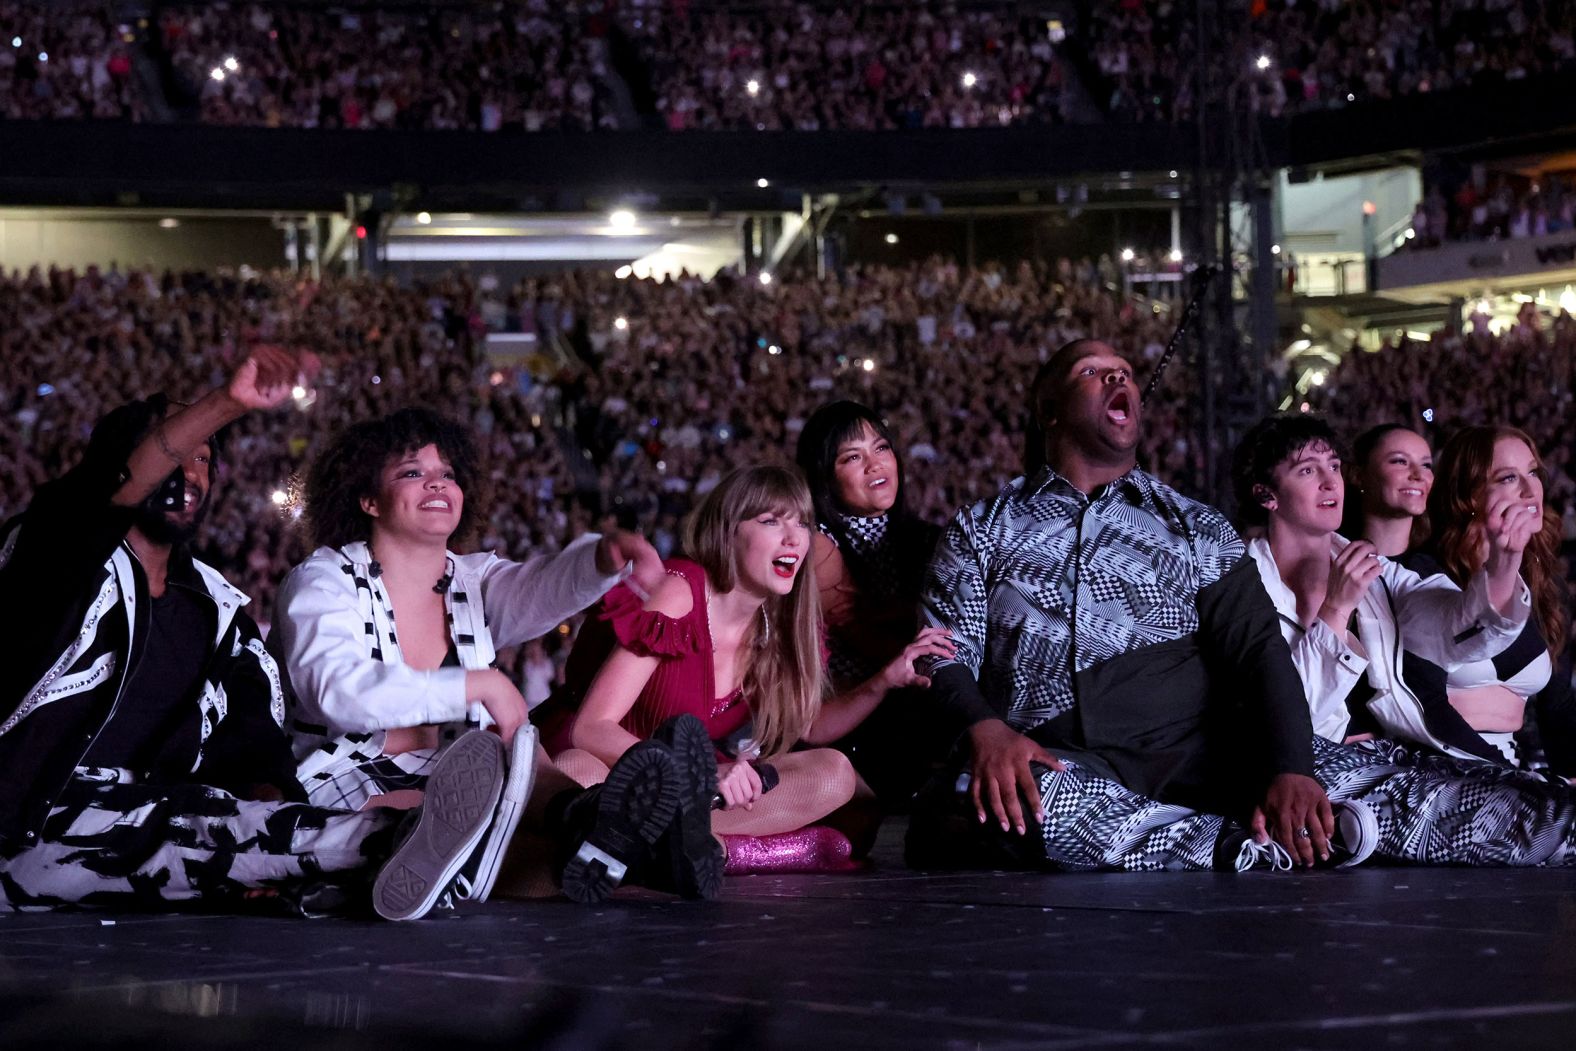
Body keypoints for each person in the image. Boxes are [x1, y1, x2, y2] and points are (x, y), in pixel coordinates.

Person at [0, 350, 509, 916]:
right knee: (184, 826)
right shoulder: (53, 559)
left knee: (210, 821)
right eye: (176, 451)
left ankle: (379, 860)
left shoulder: (219, 613)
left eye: (204, 460)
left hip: (167, 813)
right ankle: (394, 844)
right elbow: (96, 498)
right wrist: (226, 405)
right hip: (28, 825)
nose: (190, 474)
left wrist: (274, 819)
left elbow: (257, 752)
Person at [910, 338, 1341, 874]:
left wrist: (1292, 769)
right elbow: (939, 654)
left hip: (1200, 757)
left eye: (1126, 372)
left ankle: (1297, 828)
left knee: (1347, 775)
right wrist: (986, 730)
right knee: (979, 800)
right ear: (1049, 411)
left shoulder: (1196, 525)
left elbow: (1258, 653)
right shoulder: (984, 527)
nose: (1119, 380)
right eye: (1093, 372)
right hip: (1061, 761)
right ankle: (1238, 846)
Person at [271, 408, 719, 906]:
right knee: (493, 820)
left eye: (448, 474)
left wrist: (603, 557)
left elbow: (541, 586)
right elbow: (336, 690)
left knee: (521, 768)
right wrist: (479, 683)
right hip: (352, 783)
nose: (437, 484)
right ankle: (641, 848)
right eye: (413, 473)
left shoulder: (473, 580)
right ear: (369, 500)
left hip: (464, 780)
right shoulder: (323, 581)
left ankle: (609, 831)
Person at [545, 464, 952, 877]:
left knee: (837, 777)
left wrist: (885, 680)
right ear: (728, 532)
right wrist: (699, 774)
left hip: (681, 787)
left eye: (802, 523)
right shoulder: (680, 591)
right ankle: (734, 850)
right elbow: (591, 728)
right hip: (608, 762)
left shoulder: (782, 626)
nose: (795, 537)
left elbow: (808, 726)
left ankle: (681, 849)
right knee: (577, 775)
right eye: (771, 521)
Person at [1232, 413, 1576, 866]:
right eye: (1308, 469)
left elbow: (1460, 630)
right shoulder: (1238, 581)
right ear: (1266, 494)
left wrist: (1504, 560)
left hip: (1407, 761)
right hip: (1312, 773)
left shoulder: (1382, 572)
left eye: (1333, 466)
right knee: (1545, 829)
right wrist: (1336, 611)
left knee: (1557, 810)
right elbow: (1283, 724)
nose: (1328, 481)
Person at [795, 400, 945, 806]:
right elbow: (868, 639)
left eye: (881, 449)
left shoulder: (920, 537)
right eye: (852, 457)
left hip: (909, 707)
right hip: (852, 722)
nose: (875, 465)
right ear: (825, 477)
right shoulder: (816, 544)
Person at [1419, 425, 1574, 774]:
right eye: (1507, 478)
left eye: (1533, 472)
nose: (1528, 488)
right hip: (1439, 768)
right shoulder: (1423, 574)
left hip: (1519, 767)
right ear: (1469, 493)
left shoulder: (1546, 584)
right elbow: (1425, 704)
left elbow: (1560, 706)